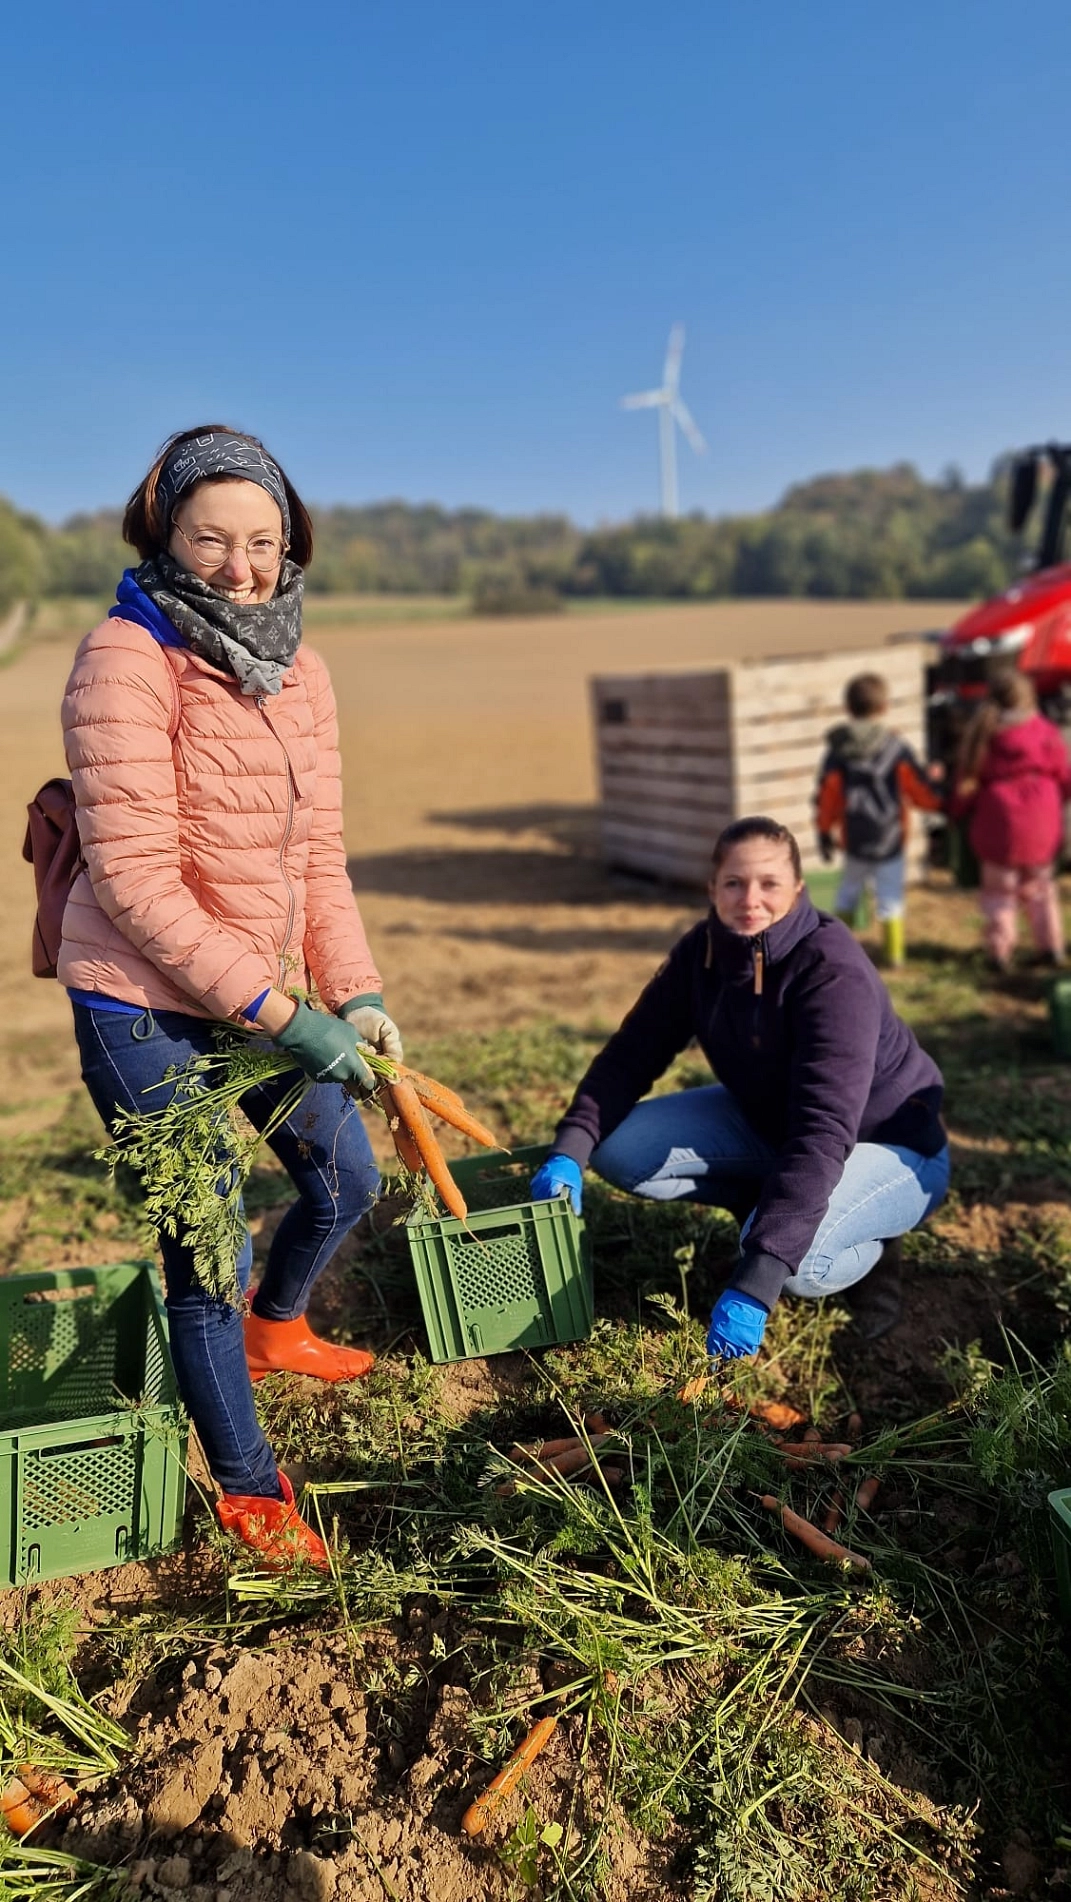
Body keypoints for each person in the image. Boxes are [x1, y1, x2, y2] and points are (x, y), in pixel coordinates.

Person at [58, 425, 401, 1567]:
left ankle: (279, 1332)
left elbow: (318, 859)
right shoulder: (126, 656)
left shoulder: (300, 668)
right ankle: (251, 1491)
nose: (241, 565)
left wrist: (350, 993)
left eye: (262, 541)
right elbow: (137, 882)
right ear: (164, 532)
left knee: (346, 1176)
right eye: (212, 538)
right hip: (140, 1002)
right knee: (207, 1249)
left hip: (257, 993)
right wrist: (280, 1013)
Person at [530, 815, 950, 1353]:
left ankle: (873, 1249)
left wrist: (757, 1281)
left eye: (769, 884)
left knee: (799, 1270)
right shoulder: (702, 952)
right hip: (774, 1125)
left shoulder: (831, 971)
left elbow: (823, 1132)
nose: (751, 899)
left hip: (891, 1145)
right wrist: (571, 1147)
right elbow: (631, 1054)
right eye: (734, 882)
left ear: (798, 889)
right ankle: (770, 1212)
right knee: (619, 1147)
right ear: (712, 888)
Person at [815, 671, 942, 968]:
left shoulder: (838, 750)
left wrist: (823, 831)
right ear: (884, 707)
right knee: (890, 898)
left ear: (848, 708)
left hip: (855, 838)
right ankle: (894, 955)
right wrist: (940, 801)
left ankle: (839, 952)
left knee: (847, 893)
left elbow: (828, 796)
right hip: (890, 837)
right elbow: (917, 788)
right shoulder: (896, 748)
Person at [950, 667, 1071, 972]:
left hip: (998, 828)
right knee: (1042, 889)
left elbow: (966, 789)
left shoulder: (983, 737)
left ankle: (1000, 952)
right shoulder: (1045, 732)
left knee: (999, 893)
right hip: (1042, 824)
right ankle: (1051, 947)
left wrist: (955, 811)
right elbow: (1065, 776)